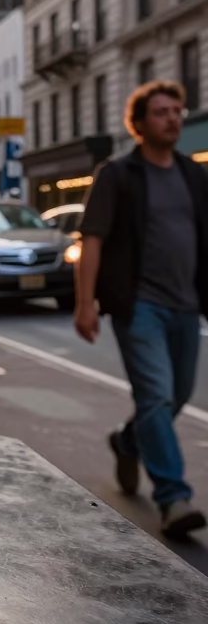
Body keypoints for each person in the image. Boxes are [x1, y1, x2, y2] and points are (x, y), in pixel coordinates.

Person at [75, 81, 208, 537]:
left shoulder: (194, 174)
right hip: (139, 306)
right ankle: (173, 498)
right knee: (155, 396)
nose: (172, 118)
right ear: (139, 123)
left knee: (176, 397)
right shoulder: (119, 175)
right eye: (161, 112)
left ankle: (128, 441)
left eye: (177, 110)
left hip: (188, 306)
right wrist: (85, 303)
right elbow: (91, 239)